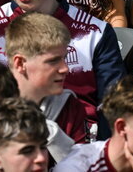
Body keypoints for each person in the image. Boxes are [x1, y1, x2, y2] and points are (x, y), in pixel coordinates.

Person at [6, 12, 89, 145]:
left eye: (64, 58)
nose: (65, 69)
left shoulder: (70, 106)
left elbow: (78, 163)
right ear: (20, 63)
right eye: (53, 61)